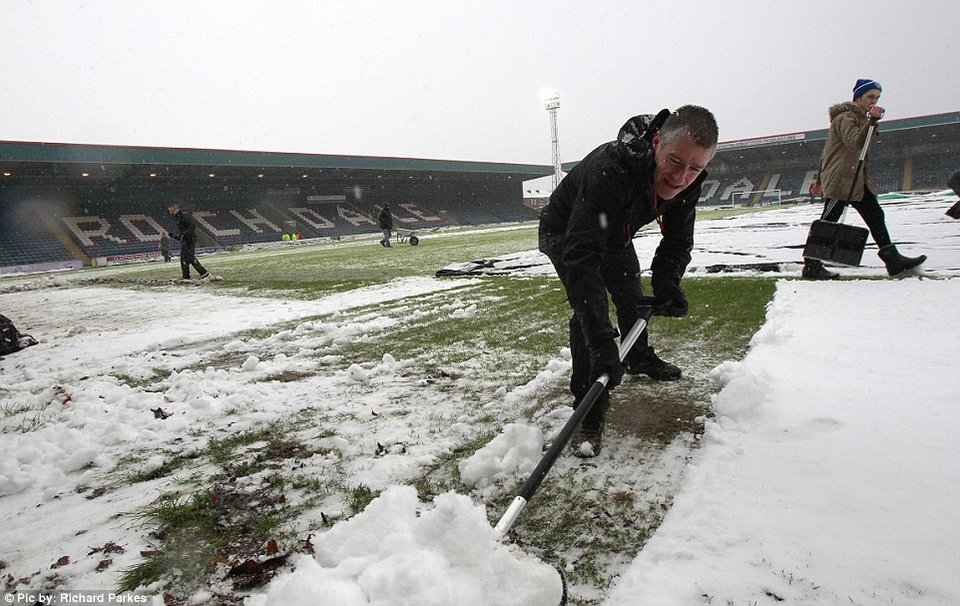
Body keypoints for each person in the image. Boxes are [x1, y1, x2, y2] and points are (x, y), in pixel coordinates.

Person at [538, 105, 719, 457]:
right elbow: (583, 256)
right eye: (675, 162)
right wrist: (602, 340)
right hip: (566, 233)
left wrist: (668, 283)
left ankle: (637, 357)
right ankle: (588, 405)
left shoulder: (689, 183)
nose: (682, 177)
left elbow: (678, 239)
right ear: (656, 143)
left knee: (632, 296)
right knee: (587, 312)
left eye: (695, 168)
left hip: (615, 231)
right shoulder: (612, 170)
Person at [802, 79, 926, 279]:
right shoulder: (845, 118)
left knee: (875, 215)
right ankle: (811, 266)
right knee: (828, 222)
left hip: (857, 179)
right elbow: (854, 144)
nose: (873, 101)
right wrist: (871, 122)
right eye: (870, 97)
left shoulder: (859, 119)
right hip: (842, 180)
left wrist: (869, 122)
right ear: (858, 97)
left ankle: (893, 260)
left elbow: (828, 151)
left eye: (877, 98)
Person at [167, 202, 210, 280]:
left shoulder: (183, 215)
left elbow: (192, 225)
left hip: (189, 240)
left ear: (176, 208)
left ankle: (203, 273)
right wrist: (175, 236)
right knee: (184, 258)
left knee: (189, 257)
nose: (171, 213)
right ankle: (187, 275)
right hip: (186, 240)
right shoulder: (179, 217)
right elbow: (183, 233)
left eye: (172, 211)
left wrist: (185, 234)